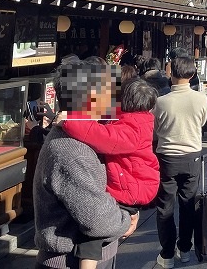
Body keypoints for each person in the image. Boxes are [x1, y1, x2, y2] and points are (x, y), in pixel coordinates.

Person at [33, 56, 138, 269]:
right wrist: (126, 219)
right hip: (69, 259)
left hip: (87, 254)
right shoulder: (72, 150)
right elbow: (97, 218)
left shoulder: (86, 135)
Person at [59, 78, 160, 269]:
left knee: (91, 235)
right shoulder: (133, 118)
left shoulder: (132, 128)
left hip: (131, 189)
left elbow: (100, 135)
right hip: (133, 183)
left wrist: (69, 121)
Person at [153, 56, 207, 267]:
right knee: (188, 204)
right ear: (192, 75)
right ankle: (184, 249)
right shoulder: (201, 98)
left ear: (171, 74)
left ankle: (167, 254)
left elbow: (155, 129)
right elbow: (202, 122)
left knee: (165, 207)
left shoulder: (161, 101)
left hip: (167, 158)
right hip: (192, 156)